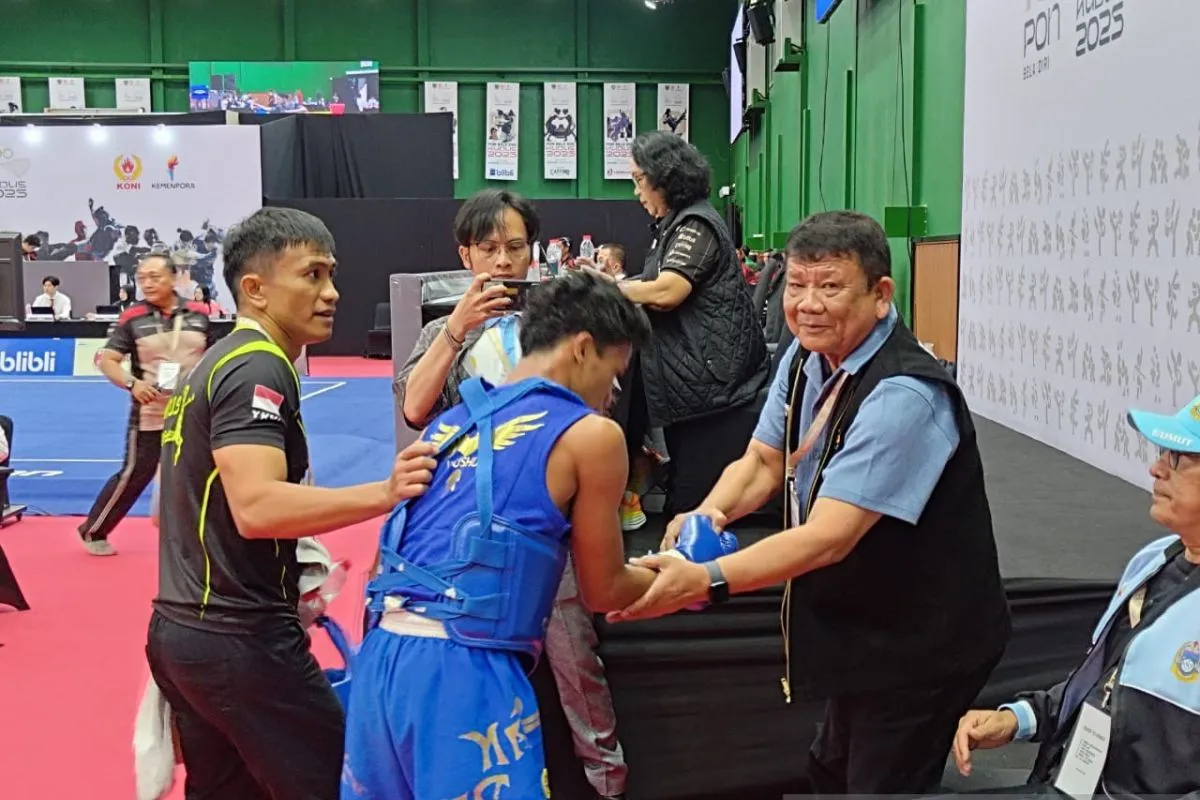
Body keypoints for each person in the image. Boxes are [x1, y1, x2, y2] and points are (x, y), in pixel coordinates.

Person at [607, 210, 1012, 795]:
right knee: (830, 769)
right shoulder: (805, 357)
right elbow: (763, 462)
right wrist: (705, 514)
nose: (808, 304)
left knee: (879, 782)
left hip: (924, 642)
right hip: (859, 622)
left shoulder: (904, 394)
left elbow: (828, 537)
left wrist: (707, 580)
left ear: (881, 295)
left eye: (830, 286)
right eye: (796, 285)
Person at [344, 272, 671, 800]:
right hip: (463, 670)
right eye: (614, 373)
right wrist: (682, 574)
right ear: (583, 348)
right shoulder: (590, 435)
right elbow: (604, 589)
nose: (612, 395)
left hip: (379, 662)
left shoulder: (450, 423)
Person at [147, 207, 437, 800]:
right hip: (239, 640)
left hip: (182, 630)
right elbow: (256, 508)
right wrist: (384, 493)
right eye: (311, 275)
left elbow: (170, 507)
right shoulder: (257, 366)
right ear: (255, 289)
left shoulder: (215, 363)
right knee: (338, 784)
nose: (331, 293)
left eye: (331, 274)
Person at [393, 189, 630, 799]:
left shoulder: (556, 324)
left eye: (515, 247)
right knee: (477, 671)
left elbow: (599, 408)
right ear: (465, 254)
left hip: (549, 523)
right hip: (467, 537)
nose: (502, 261)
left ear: (534, 251)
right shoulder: (443, 329)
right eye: (489, 248)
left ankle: (607, 783)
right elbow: (415, 408)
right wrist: (456, 330)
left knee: (576, 663)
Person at [952, 396, 1200, 797]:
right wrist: (1022, 718)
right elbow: (1103, 683)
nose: (1156, 469)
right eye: (1161, 454)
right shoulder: (1154, 560)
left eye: (1177, 459)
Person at [619, 130, 769, 515]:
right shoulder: (675, 224)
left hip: (713, 384)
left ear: (664, 176)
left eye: (639, 180)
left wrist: (608, 289)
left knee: (688, 509)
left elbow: (668, 290)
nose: (636, 192)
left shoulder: (696, 224)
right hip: (694, 380)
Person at [77, 255, 212, 556]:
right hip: (151, 412)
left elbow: (215, 356)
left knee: (203, 473)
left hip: (195, 413)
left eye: (155, 276)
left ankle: (203, 537)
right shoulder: (133, 317)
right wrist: (133, 384)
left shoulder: (200, 313)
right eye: (142, 278)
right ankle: (93, 530)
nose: (148, 283)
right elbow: (108, 361)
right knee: (135, 474)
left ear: (174, 278)